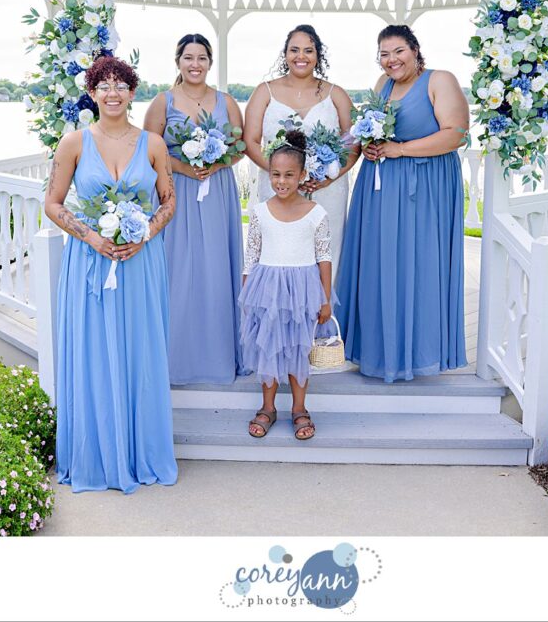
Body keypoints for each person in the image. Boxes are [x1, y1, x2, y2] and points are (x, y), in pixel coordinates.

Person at [45, 54, 178, 493]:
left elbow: (169, 201)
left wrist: (144, 236)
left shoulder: (153, 144)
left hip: (141, 264)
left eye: (122, 84)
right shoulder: (74, 143)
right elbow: (53, 203)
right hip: (90, 262)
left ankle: (142, 452)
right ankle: (98, 456)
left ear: (133, 92)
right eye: (104, 84)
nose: (113, 92)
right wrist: (90, 236)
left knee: (140, 351)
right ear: (92, 92)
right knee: (94, 352)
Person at [335, 25, 468, 383]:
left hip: (425, 185)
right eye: (384, 53)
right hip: (380, 185)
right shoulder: (383, 85)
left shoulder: (440, 80)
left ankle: (418, 353)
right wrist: (373, 146)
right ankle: (378, 351)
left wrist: (400, 150)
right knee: (380, 263)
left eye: (398, 51)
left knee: (419, 264)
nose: (391, 60)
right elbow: (372, 133)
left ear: (415, 50)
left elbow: (456, 134)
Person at [143, 34, 246, 385]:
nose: (195, 64)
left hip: (216, 190)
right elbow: (148, 149)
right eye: (189, 58)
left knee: (217, 269)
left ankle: (218, 356)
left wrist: (215, 165)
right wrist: (186, 168)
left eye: (202, 58)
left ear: (210, 62)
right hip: (177, 191)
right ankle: (177, 358)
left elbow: (239, 146)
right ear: (178, 61)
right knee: (178, 270)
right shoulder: (162, 101)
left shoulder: (226, 101)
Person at [239, 129, 333, 441]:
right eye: (275, 174)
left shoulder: (315, 213)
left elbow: (324, 255)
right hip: (266, 288)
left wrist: (325, 298)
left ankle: (299, 408)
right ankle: (267, 407)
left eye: (289, 175)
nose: (281, 181)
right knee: (268, 347)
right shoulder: (260, 211)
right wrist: (247, 290)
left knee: (297, 349)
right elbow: (251, 253)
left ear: (302, 175)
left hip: (302, 291)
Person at [243, 24, 357, 281]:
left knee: (326, 253)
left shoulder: (335, 94)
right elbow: (250, 141)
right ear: (285, 54)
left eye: (308, 50)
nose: (301, 56)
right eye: (294, 50)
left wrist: (330, 176)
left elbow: (353, 143)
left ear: (318, 55)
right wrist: (283, 176)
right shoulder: (265, 92)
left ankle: (324, 312)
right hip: (277, 189)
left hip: (326, 190)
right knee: (277, 252)